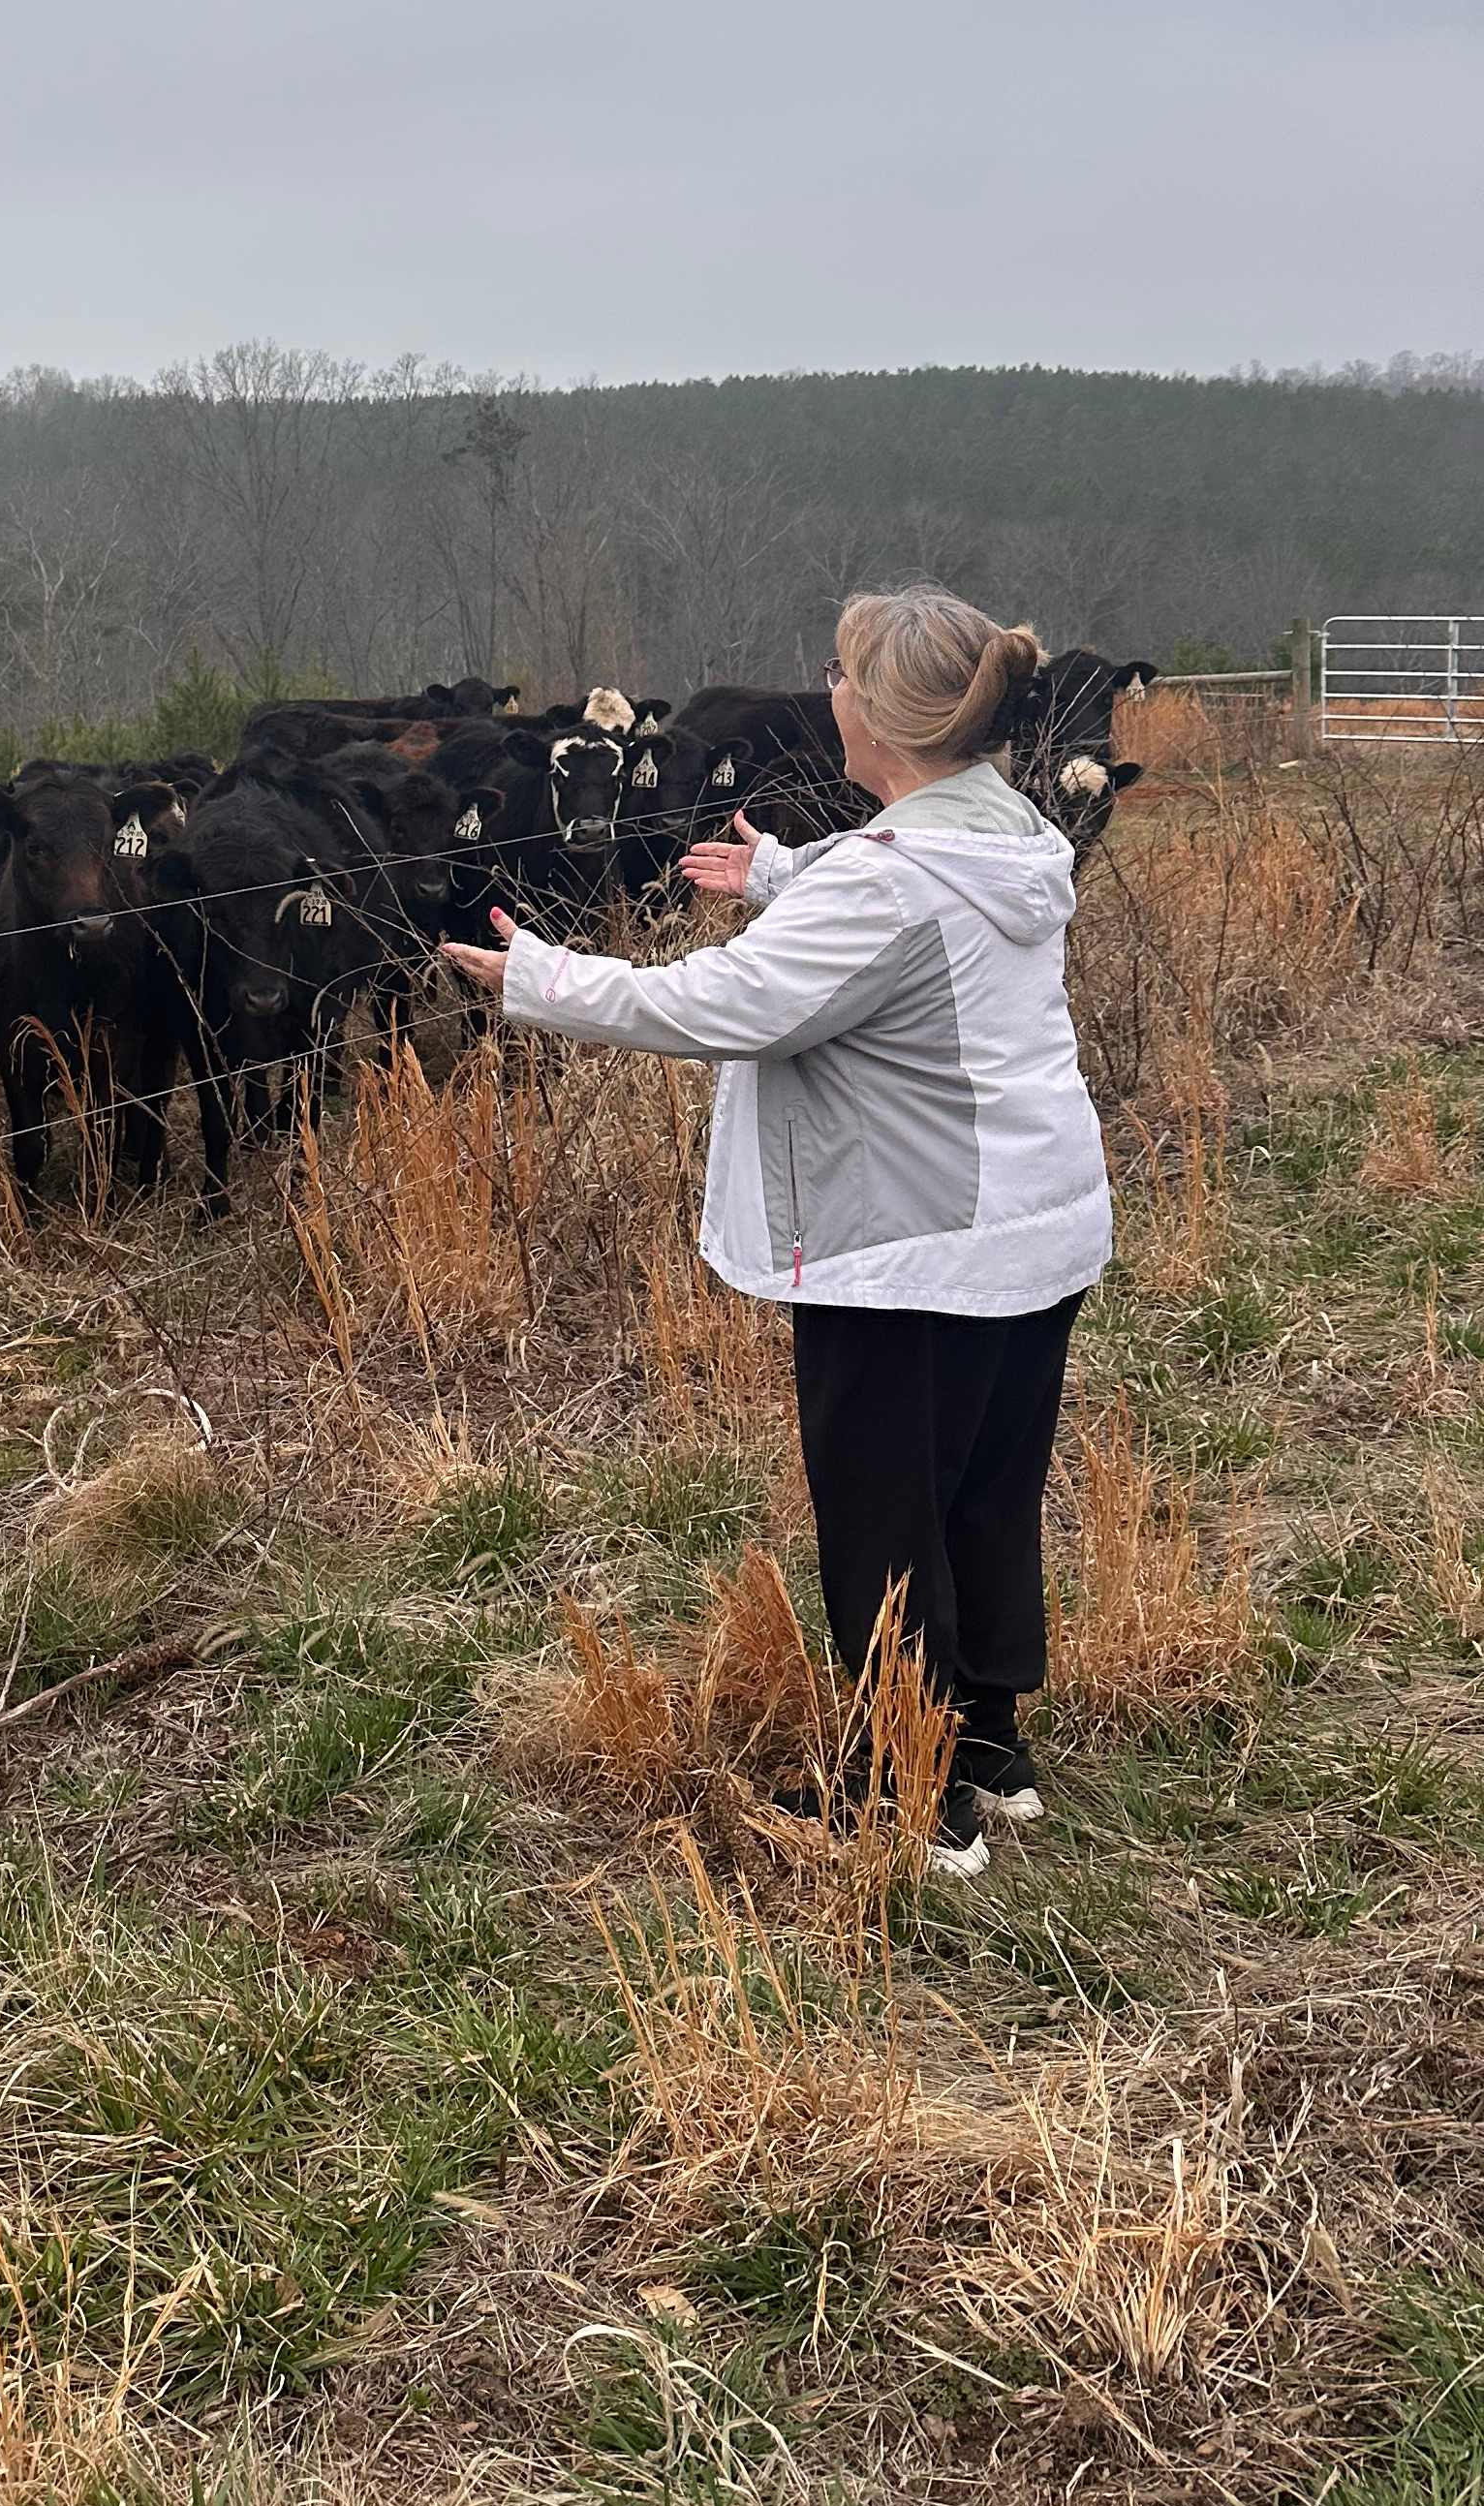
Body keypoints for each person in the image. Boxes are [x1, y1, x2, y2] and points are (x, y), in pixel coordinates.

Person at [441, 587, 1110, 1877]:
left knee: (886, 1518)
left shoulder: (885, 884)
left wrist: (537, 978)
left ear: (889, 723)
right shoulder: (1012, 833)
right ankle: (987, 1752)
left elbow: (720, 1003)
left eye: (847, 677)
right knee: (984, 1492)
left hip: (912, 1248)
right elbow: (914, 912)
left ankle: (909, 1811)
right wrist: (793, 874)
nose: (831, 690)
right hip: (1035, 1227)